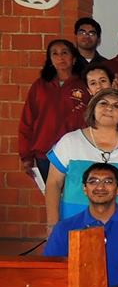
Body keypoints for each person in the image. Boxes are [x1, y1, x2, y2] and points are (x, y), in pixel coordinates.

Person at [45, 88, 118, 228]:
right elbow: (53, 184)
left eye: (117, 106)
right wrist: (52, 224)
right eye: (103, 103)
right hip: (75, 223)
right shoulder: (70, 141)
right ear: (93, 108)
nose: (109, 108)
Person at [44, 162, 118, 287]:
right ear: (84, 189)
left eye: (108, 182)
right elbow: (51, 273)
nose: (100, 187)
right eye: (93, 181)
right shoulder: (64, 228)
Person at [19, 39, 87, 182]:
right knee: (51, 194)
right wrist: (26, 156)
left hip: (76, 154)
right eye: (55, 54)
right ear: (50, 60)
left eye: (64, 53)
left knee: (73, 194)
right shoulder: (40, 86)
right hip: (45, 155)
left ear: (74, 59)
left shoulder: (85, 85)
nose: (60, 57)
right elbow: (27, 121)